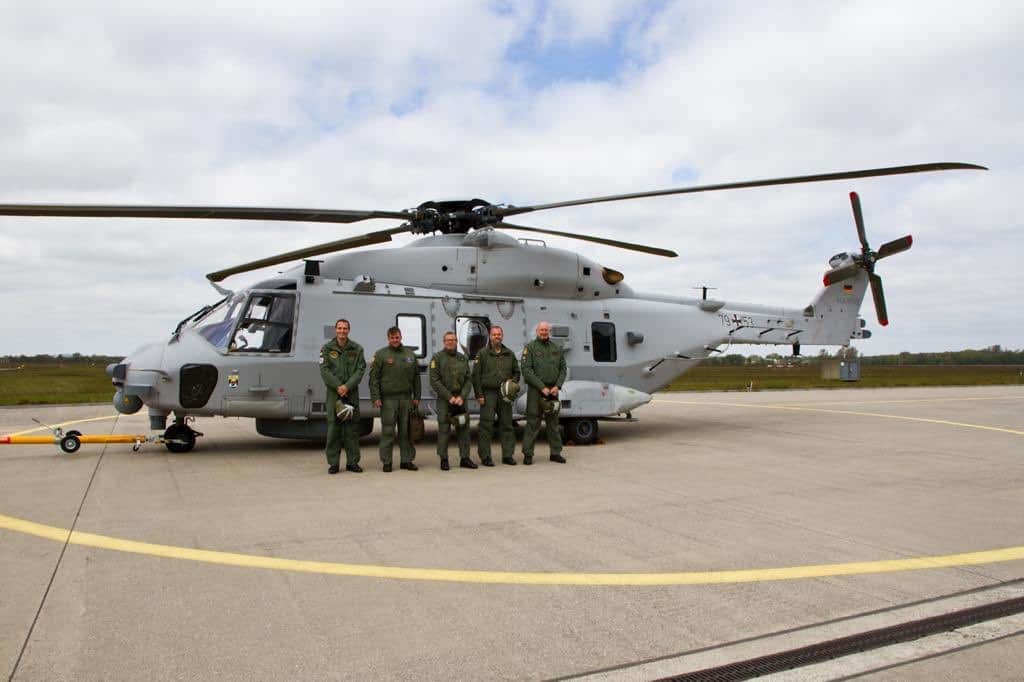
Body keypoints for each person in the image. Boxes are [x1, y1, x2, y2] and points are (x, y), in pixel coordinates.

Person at [369, 326, 421, 472]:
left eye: (397, 337)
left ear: (401, 337)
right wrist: (376, 397)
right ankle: (387, 462)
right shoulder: (381, 355)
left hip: (406, 399)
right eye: (392, 338)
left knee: (406, 432)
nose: (395, 340)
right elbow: (374, 378)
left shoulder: (410, 355)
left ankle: (406, 460)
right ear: (388, 338)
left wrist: (417, 396)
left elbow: (416, 378)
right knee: (388, 431)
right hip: (388, 400)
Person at [319, 319, 366, 475]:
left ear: (349, 330)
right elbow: (324, 370)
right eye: (340, 328)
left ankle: (353, 463)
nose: (342, 331)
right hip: (334, 394)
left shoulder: (357, 349)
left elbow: (360, 370)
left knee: (351, 430)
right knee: (334, 430)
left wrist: (347, 386)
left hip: (351, 393)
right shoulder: (327, 349)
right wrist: (338, 386)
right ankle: (333, 463)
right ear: (335, 330)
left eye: (345, 328)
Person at [472, 325, 520, 466]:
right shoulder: (482, 354)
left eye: (499, 334)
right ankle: (485, 457)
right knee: (486, 426)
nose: (497, 336)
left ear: (502, 336)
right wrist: (479, 394)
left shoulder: (509, 354)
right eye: (494, 334)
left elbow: (517, 372)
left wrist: (512, 383)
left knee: (507, 425)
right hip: (488, 394)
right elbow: (476, 376)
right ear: (490, 336)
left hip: (504, 394)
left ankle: (507, 455)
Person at [520, 321, 567, 464]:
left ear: (549, 331)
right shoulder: (530, 348)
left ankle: (555, 452)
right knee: (533, 422)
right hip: (536, 391)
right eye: (541, 330)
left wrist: (557, 386)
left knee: (553, 423)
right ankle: (528, 454)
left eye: (546, 330)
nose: (544, 332)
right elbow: (526, 370)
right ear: (537, 331)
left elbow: (563, 369)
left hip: (553, 391)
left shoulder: (556, 348)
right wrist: (542, 387)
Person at [429, 331, 473, 470]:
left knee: (463, 429)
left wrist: (462, 396)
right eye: (448, 340)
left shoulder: (463, 358)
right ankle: (444, 459)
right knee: (444, 430)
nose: (451, 342)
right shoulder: (437, 358)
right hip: (445, 401)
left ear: (456, 341)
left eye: (453, 340)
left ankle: (465, 458)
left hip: (460, 401)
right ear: (444, 341)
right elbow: (435, 381)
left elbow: (468, 379)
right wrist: (450, 397)